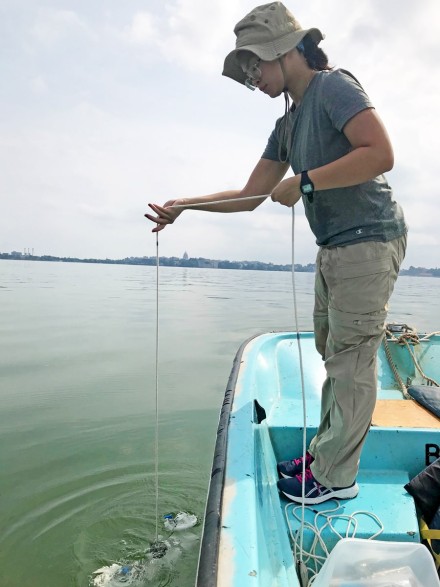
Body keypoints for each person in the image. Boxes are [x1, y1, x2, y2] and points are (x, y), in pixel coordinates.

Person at [145, 2, 407, 505]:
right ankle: (325, 451)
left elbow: (380, 153)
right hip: (333, 246)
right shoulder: (286, 126)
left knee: (352, 363)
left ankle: (336, 478)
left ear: (285, 51)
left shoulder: (334, 86)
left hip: (370, 239)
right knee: (335, 356)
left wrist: (306, 181)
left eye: (255, 64)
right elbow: (251, 195)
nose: (252, 77)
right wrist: (186, 206)